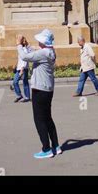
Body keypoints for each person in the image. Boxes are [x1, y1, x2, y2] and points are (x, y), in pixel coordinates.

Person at [17, 29, 61, 159]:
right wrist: (27, 45)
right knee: (47, 118)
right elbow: (35, 54)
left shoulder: (43, 53)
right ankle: (56, 146)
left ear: (43, 42)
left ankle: (46, 149)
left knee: (39, 119)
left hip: (39, 90)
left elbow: (25, 57)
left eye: (39, 40)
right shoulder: (50, 51)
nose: (38, 42)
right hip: (47, 89)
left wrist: (19, 44)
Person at [13, 35, 31, 103]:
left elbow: (24, 60)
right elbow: (19, 59)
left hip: (23, 69)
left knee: (25, 83)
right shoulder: (20, 49)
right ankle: (19, 95)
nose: (16, 41)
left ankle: (27, 97)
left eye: (17, 39)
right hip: (19, 68)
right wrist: (16, 66)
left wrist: (22, 69)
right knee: (15, 82)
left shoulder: (25, 49)